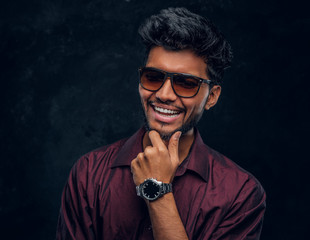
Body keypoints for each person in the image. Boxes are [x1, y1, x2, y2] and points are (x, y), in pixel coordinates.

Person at [56, 7, 266, 240]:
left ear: (212, 97)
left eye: (186, 83)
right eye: (153, 77)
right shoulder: (89, 173)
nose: (164, 94)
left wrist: (157, 190)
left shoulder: (241, 194)